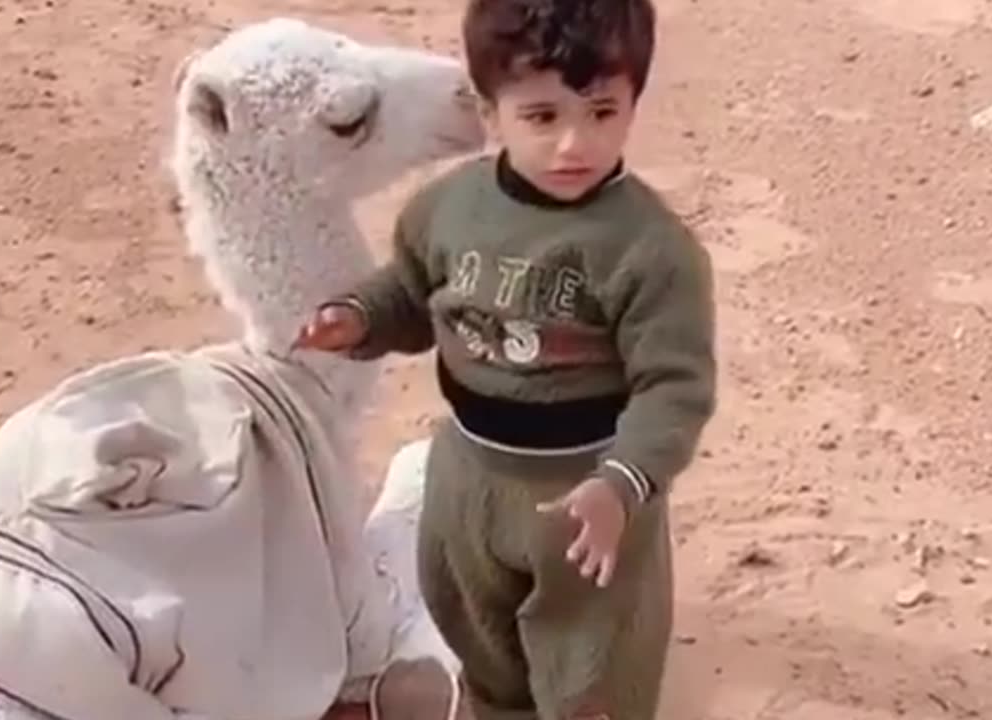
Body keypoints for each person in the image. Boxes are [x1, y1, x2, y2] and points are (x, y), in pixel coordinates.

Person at [293, 0, 716, 717]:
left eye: (603, 112)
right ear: (491, 111)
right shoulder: (447, 209)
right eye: (543, 117)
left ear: (633, 104)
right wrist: (358, 317)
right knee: (482, 649)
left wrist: (621, 485)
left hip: (586, 498)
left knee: (594, 670)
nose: (574, 144)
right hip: (470, 481)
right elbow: (412, 290)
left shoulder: (652, 250)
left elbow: (674, 388)